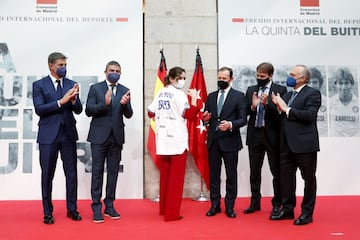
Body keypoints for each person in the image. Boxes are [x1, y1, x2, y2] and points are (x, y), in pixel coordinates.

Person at [32, 52, 83, 224]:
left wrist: (74, 100)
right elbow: (39, 109)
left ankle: (72, 209)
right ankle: (47, 212)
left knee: (71, 173)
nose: (64, 68)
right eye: (60, 65)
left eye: (65, 65)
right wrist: (61, 101)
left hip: (68, 134)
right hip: (48, 135)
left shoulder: (71, 84)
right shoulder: (39, 85)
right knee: (47, 174)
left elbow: (78, 109)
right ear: (51, 66)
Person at [271, 64, 321, 225]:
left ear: (303, 78)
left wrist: (286, 109)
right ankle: (287, 209)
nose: (289, 77)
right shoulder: (287, 95)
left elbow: (309, 115)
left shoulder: (312, 93)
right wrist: (278, 107)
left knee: (308, 179)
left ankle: (307, 213)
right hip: (286, 144)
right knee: (286, 179)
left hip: (304, 145)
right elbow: (283, 116)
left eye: (293, 75)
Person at [147, 66, 198, 221]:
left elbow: (150, 112)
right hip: (177, 142)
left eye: (184, 77)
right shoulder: (179, 95)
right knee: (175, 180)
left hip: (163, 142)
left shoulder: (161, 92)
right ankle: (172, 214)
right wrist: (194, 98)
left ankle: (163, 209)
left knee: (165, 178)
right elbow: (189, 115)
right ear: (171, 78)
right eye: (180, 78)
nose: (182, 81)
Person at [85, 61, 133, 223]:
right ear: (105, 71)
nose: (115, 73)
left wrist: (125, 105)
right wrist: (104, 104)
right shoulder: (95, 88)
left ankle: (110, 205)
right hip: (98, 137)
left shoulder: (125, 90)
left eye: (118, 71)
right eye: (112, 70)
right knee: (97, 172)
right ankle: (96, 207)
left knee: (113, 173)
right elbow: (88, 110)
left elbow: (129, 114)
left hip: (116, 137)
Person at [202, 66, 247, 218]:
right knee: (214, 175)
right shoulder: (211, 96)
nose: (221, 81)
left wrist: (230, 125)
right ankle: (215, 204)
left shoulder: (239, 96)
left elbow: (243, 119)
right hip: (213, 141)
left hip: (230, 141)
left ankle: (230, 206)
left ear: (231, 79)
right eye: (219, 78)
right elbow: (207, 117)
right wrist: (205, 120)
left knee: (231, 175)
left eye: (224, 79)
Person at [243, 63, 287, 218]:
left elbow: (281, 114)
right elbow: (245, 112)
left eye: (262, 76)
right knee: (254, 172)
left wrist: (267, 104)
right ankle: (255, 203)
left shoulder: (280, 90)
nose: (259, 78)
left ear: (270, 76)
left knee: (277, 172)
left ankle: (277, 204)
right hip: (255, 136)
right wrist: (253, 107)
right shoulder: (250, 90)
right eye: (258, 75)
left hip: (272, 137)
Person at [329, 67, 359, 137]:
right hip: (335, 144)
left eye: (346, 83)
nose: (343, 87)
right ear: (336, 84)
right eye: (340, 83)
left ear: (352, 84)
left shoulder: (358, 103)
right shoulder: (330, 102)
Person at [308, 67, 328, 137]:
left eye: (315, 82)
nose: (312, 85)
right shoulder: (299, 102)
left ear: (320, 84)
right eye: (309, 82)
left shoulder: (328, 102)